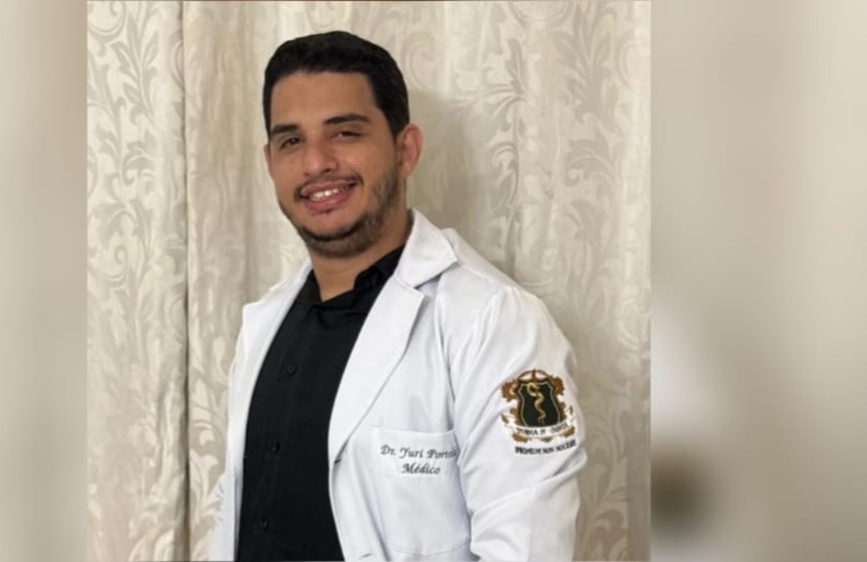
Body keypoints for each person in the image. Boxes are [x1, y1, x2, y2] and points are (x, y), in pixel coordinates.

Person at [210, 31, 586, 561]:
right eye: (291, 141)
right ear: (270, 162)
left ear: (405, 149)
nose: (316, 163)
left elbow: (528, 550)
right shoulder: (265, 323)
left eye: (344, 133)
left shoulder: (499, 325)